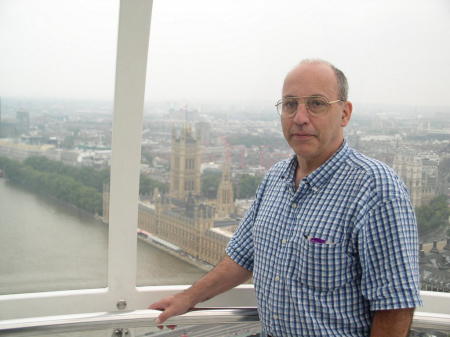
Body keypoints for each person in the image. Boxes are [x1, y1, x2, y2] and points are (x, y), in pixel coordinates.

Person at [149, 59, 422, 337]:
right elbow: (241, 258)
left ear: (344, 113)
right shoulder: (275, 177)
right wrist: (189, 297)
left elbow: (394, 306)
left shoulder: (376, 188)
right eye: (290, 104)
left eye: (316, 104)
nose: (300, 117)